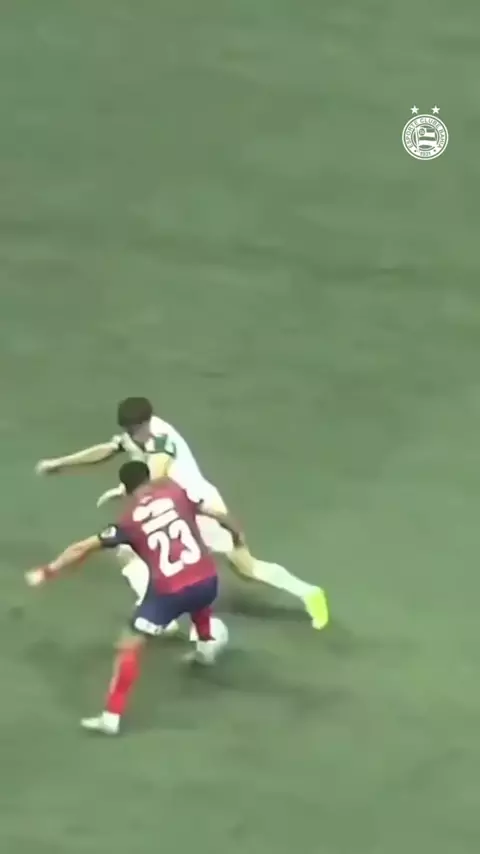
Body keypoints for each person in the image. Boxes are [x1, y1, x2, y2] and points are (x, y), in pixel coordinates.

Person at [35, 396, 329, 629]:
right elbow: (108, 449)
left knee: (245, 568)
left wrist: (123, 489)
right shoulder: (135, 435)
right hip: (174, 506)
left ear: (146, 422)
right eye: (127, 429)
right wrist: (60, 464)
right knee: (128, 553)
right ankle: (157, 613)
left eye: (134, 429)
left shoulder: (161, 438)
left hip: (198, 505)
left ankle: (310, 593)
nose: (130, 434)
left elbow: (157, 473)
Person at [26, 461, 237, 735]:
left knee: (129, 644)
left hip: (169, 594)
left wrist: (48, 571)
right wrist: (237, 535)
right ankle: (206, 645)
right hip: (209, 581)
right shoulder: (176, 492)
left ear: (125, 489)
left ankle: (111, 717)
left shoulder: (129, 522)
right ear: (149, 477)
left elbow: (82, 548)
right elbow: (216, 513)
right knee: (197, 591)